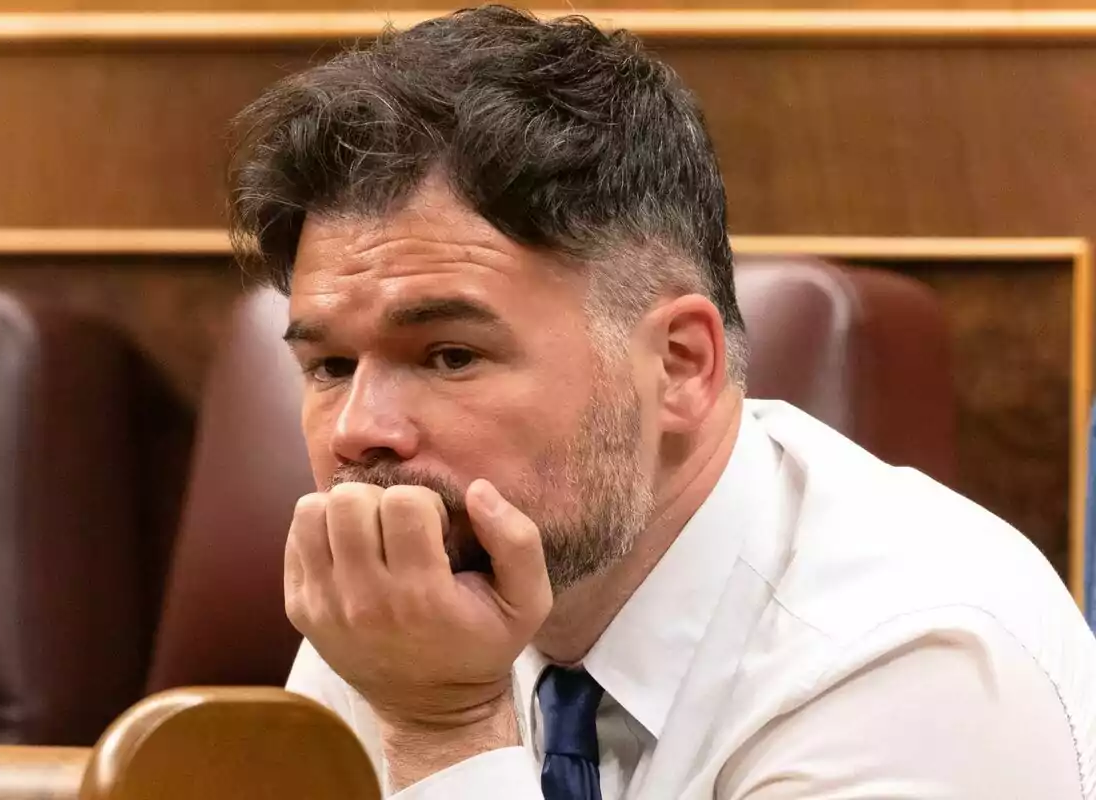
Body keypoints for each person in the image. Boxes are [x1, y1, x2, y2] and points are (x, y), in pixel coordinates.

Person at [229, 6, 1096, 798]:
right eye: (332, 366)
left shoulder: (913, 658)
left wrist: (445, 730)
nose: (360, 433)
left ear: (680, 365)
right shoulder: (407, 607)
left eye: (450, 356)